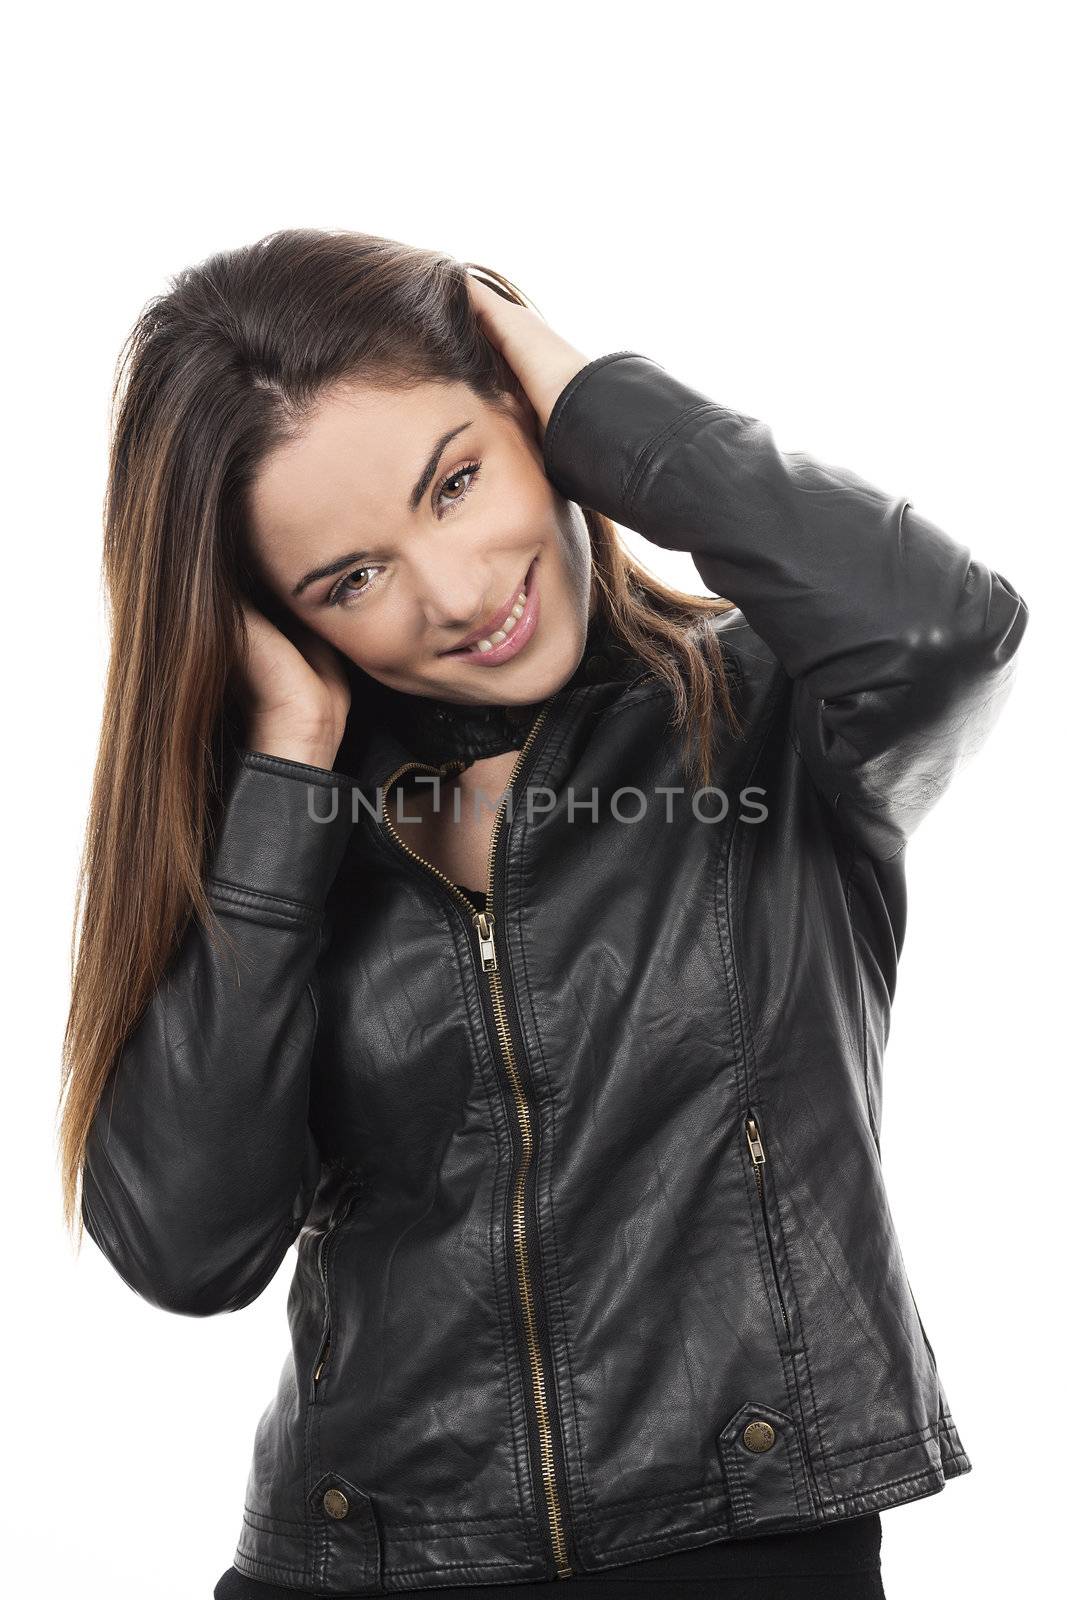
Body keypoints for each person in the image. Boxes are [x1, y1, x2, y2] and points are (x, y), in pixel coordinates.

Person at [59, 229, 1027, 1600]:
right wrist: (281, 769)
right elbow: (184, 1248)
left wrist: (601, 405)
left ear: (529, 418)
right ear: (274, 615)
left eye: (455, 481)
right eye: (350, 577)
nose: (457, 596)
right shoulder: (270, 834)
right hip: (356, 1559)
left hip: (743, 1547)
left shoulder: (771, 718)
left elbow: (946, 630)